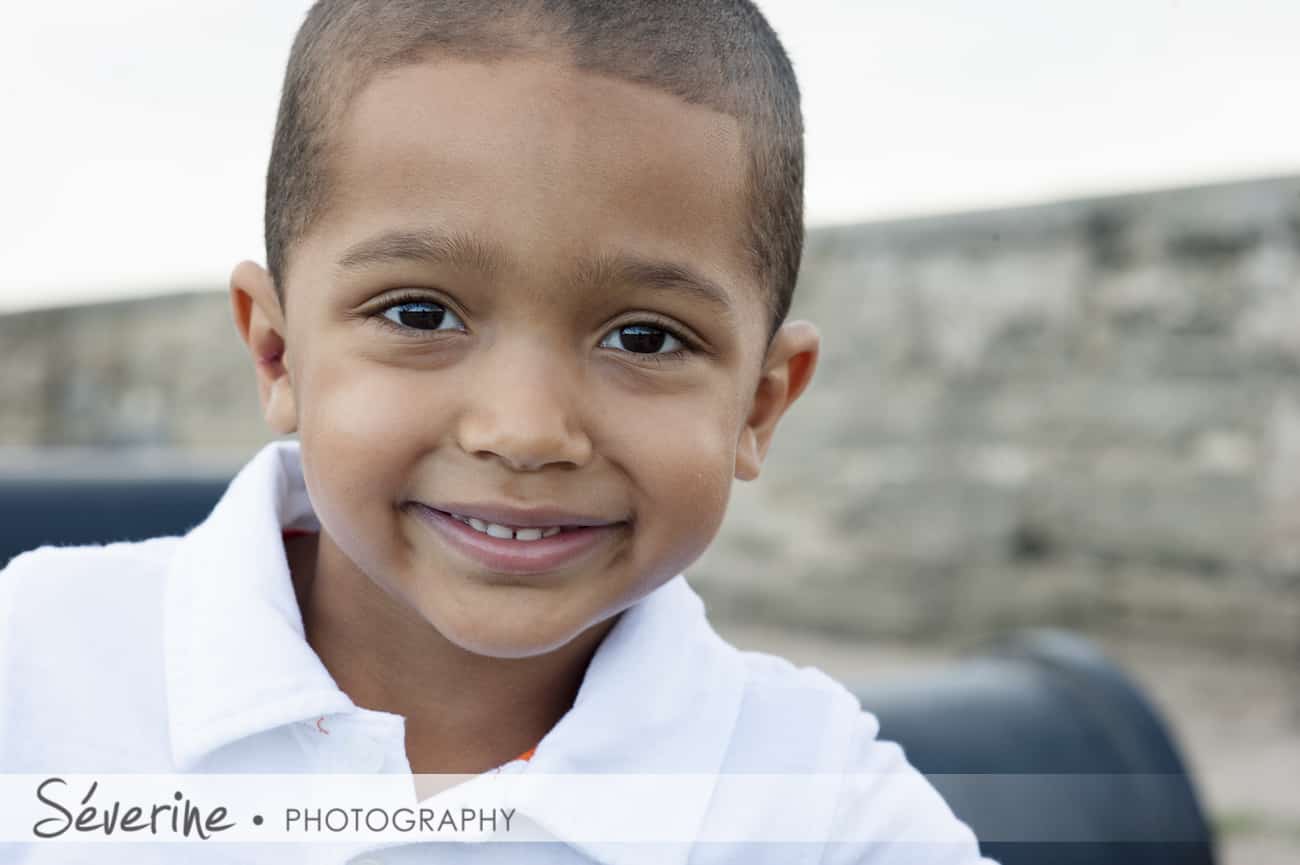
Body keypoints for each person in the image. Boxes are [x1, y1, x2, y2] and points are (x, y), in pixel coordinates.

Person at [0, 1, 997, 862]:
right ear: (277, 352)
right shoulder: (40, 661)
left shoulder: (813, 797)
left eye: (644, 337)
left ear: (759, 404)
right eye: (420, 315)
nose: (525, 432)